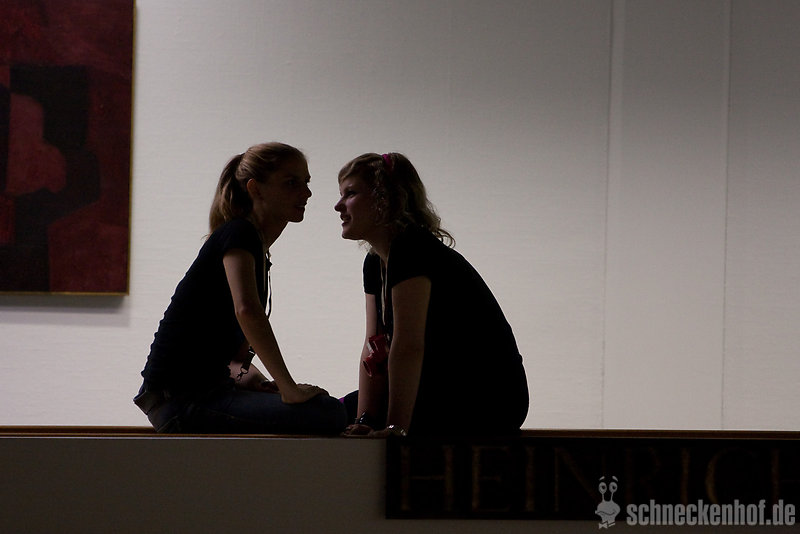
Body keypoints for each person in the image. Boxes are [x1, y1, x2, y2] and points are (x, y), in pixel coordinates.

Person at [134, 142, 347, 434]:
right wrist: (288, 389)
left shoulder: (252, 245)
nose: (306, 193)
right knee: (329, 413)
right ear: (255, 189)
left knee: (333, 408)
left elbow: (235, 359)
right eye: (291, 183)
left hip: (193, 395)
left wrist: (262, 384)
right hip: (182, 399)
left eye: (306, 183)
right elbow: (247, 310)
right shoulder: (240, 232)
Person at [335, 152, 528, 437]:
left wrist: (395, 428)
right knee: (335, 412)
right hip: (438, 386)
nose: (338, 206)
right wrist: (365, 418)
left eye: (350, 194)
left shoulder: (412, 248)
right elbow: (373, 346)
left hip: (486, 397)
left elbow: (408, 346)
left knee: (330, 414)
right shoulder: (375, 262)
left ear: (384, 198)